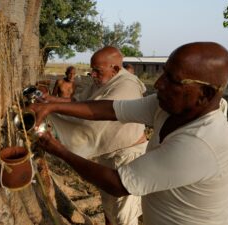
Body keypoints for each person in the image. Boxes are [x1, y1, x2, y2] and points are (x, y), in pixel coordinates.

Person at [30, 42, 228, 225]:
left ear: (205, 94)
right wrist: (52, 107)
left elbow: (117, 183)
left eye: (172, 80)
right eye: (163, 73)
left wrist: (58, 149)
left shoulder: (200, 143)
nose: (158, 84)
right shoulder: (167, 107)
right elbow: (111, 109)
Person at [41, 47, 148, 225]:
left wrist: (51, 108)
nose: (94, 75)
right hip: (108, 155)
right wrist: (48, 101)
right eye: (93, 70)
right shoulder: (100, 81)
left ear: (115, 69)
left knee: (123, 216)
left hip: (127, 158)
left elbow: (95, 113)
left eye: (98, 71)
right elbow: (79, 102)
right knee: (108, 206)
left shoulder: (127, 85)